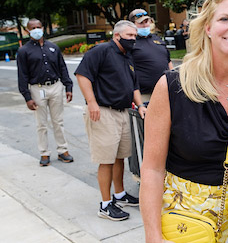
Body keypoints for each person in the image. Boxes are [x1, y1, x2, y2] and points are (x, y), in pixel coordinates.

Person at [140, 0, 228, 243]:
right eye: (225, 19)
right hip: (184, 226)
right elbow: (152, 169)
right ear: (208, 28)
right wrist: (153, 236)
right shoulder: (171, 87)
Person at [75, 20, 146, 221]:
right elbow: (82, 75)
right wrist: (91, 102)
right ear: (117, 36)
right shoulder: (101, 51)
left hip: (123, 112)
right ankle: (105, 205)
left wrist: (140, 105)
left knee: (119, 157)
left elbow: (134, 86)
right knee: (106, 160)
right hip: (103, 112)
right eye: (130, 36)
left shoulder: (127, 56)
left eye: (135, 36)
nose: (134, 39)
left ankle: (120, 194)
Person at [17, 18, 74, 166]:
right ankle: (44, 153)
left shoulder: (53, 47)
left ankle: (63, 150)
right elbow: (22, 75)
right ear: (27, 31)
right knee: (41, 124)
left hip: (55, 87)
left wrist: (68, 86)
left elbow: (62, 68)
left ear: (43, 28)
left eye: (38, 27)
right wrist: (27, 97)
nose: (36, 29)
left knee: (58, 121)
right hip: (37, 89)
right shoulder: (24, 51)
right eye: (33, 27)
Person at [128, 9, 174, 103]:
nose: (145, 25)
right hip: (144, 95)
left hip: (165, 91)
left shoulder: (158, 39)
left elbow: (168, 62)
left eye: (146, 21)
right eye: (141, 23)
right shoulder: (130, 43)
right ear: (132, 24)